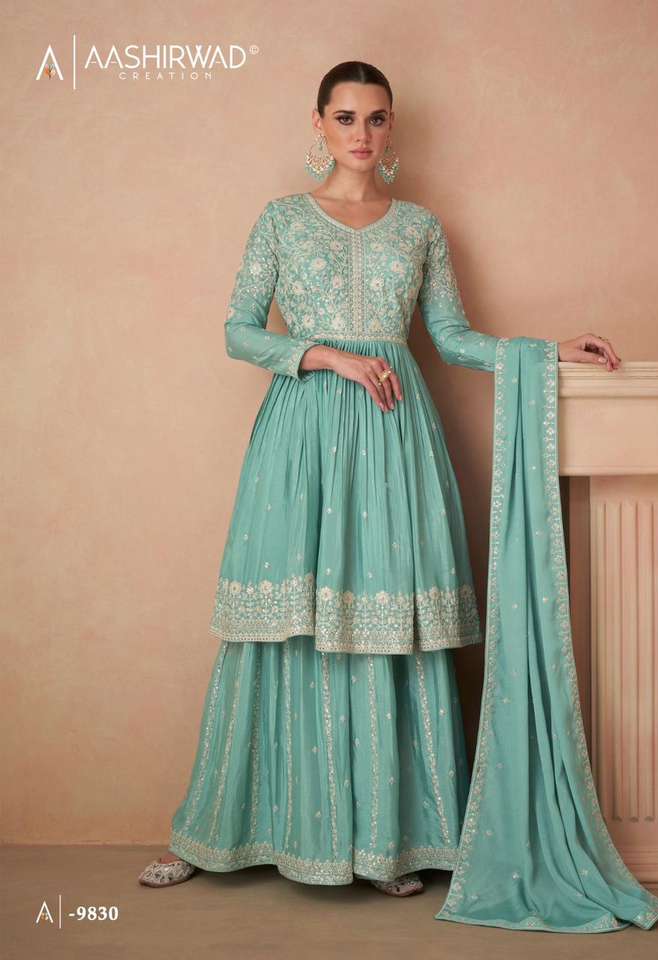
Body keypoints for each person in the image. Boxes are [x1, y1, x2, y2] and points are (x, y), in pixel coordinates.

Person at [138, 60, 620, 898]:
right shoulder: (282, 220)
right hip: (302, 437)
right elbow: (237, 331)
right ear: (317, 123)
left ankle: (390, 841)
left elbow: (454, 338)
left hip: (394, 437)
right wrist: (325, 355)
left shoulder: (420, 228)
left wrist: (544, 351)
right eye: (345, 117)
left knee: (388, 622)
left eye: (375, 118)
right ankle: (222, 832)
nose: (360, 133)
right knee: (284, 623)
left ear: (391, 127)